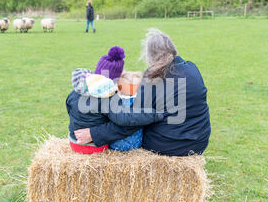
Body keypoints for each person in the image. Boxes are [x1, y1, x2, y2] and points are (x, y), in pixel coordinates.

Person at [75, 28, 211, 156]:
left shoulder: (152, 79)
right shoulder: (192, 68)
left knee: (129, 134)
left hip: (166, 145)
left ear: (150, 58)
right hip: (199, 143)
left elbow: (132, 121)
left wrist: (94, 134)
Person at [66, 46, 163, 154]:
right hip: (93, 146)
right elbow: (125, 119)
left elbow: (69, 108)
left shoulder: (76, 90)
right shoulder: (107, 97)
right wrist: (155, 114)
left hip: (73, 141)